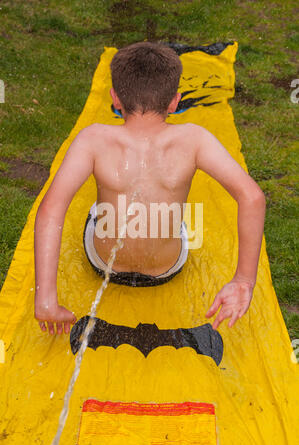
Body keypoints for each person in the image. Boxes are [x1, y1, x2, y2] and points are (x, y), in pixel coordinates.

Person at [34, 41, 266, 335]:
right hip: (167, 268)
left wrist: (46, 297)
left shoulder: (93, 139)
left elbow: (51, 210)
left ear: (115, 99)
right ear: (174, 101)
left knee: (100, 210)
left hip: (104, 262)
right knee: (180, 217)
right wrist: (243, 280)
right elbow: (253, 198)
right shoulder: (195, 139)